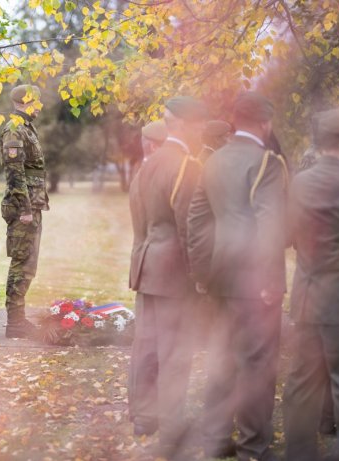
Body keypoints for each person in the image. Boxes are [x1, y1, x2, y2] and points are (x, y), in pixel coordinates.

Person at [187, 92, 288, 461]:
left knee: (221, 357)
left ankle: (214, 441)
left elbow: (196, 221)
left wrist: (201, 272)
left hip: (217, 276)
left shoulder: (211, 161)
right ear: (266, 123)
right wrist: (271, 280)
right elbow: (270, 226)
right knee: (258, 364)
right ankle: (253, 447)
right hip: (252, 280)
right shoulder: (267, 163)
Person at [128, 96, 207, 457]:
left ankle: (145, 417)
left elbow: (141, 220)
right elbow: (189, 227)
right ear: (189, 125)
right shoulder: (186, 165)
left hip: (146, 266)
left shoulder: (148, 163)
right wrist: (199, 275)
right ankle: (173, 427)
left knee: (146, 348)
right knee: (175, 353)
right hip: (173, 271)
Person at [282, 108, 339, 461]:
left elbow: (288, 235)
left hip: (309, 299)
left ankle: (299, 454)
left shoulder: (300, 183)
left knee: (301, 385)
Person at [0, 84, 49, 339]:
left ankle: (18, 319)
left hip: (33, 204)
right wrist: (25, 209)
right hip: (24, 208)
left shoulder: (26, 127)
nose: (39, 106)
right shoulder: (14, 128)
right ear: (28, 100)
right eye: (36, 101)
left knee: (28, 264)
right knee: (21, 263)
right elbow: (15, 172)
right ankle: (15, 322)